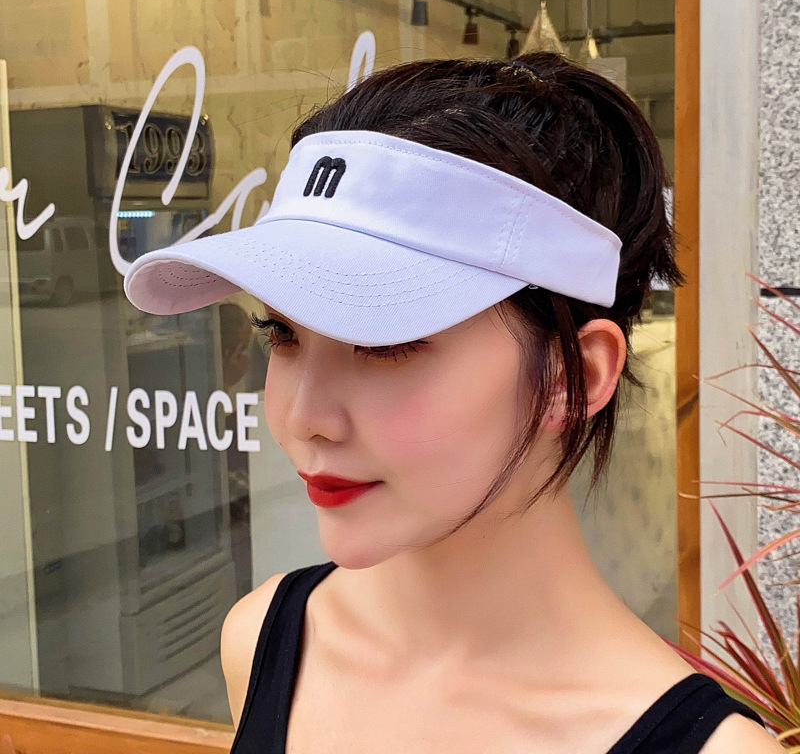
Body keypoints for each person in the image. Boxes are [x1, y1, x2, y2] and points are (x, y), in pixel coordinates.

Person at [124, 53, 783, 754]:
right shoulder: (262, 641)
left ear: (573, 375)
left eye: (384, 344)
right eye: (281, 333)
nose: (303, 417)